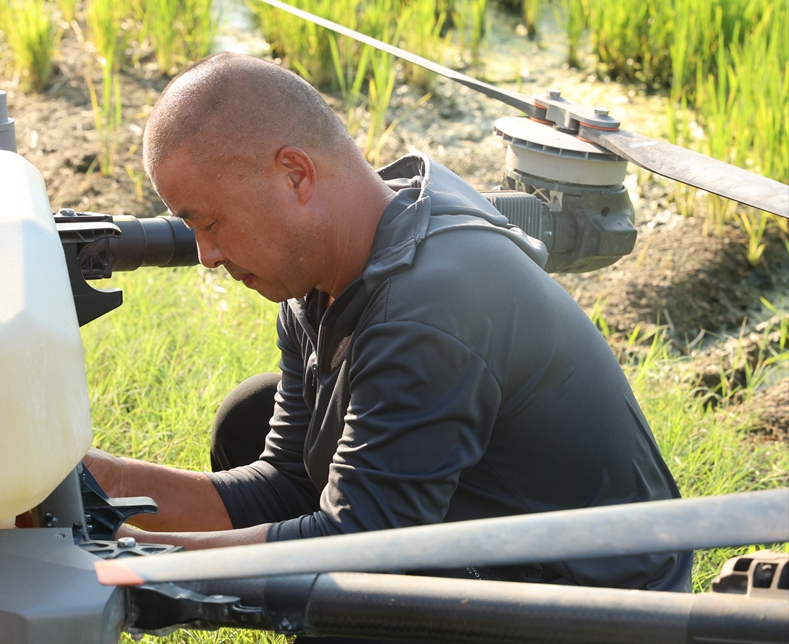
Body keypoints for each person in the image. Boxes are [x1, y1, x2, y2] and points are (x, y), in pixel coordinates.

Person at [84, 52, 692, 593]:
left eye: (210, 223)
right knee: (249, 421)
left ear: (296, 175)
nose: (206, 256)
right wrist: (100, 485)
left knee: (348, 599)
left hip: (596, 604)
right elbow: (291, 485)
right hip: (479, 534)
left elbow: (361, 552)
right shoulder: (322, 271)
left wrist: (130, 560)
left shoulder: (431, 304)